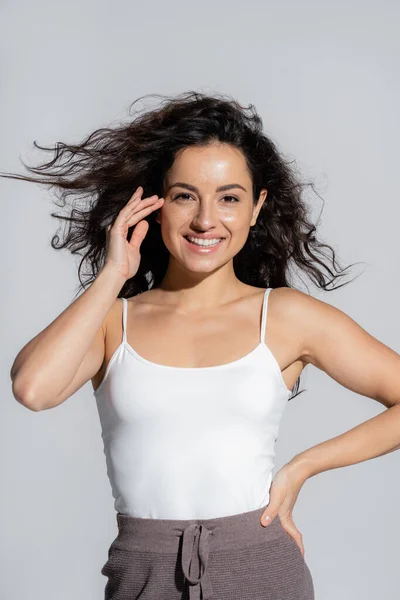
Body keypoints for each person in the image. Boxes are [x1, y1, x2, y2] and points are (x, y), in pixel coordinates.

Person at [7, 91, 400, 600]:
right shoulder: (112, 321)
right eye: (185, 195)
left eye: (230, 197)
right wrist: (113, 275)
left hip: (261, 566)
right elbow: (33, 389)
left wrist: (304, 467)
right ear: (155, 202)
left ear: (256, 207)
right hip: (144, 574)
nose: (205, 220)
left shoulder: (284, 316)